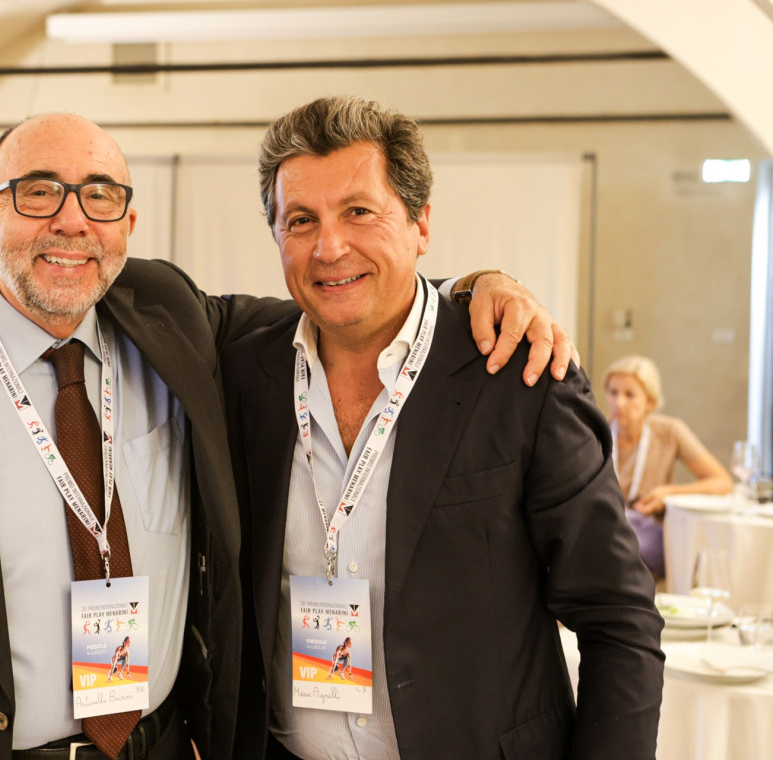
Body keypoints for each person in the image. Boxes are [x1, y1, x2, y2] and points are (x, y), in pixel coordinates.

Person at [0, 111, 572, 760]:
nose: (72, 221)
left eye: (99, 196)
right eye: (38, 192)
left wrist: (472, 289)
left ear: (128, 223)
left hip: (154, 748)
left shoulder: (168, 316)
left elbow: (342, 301)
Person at [222, 96, 664, 760]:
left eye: (359, 212)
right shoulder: (243, 369)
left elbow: (618, 618)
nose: (329, 247)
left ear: (420, 223)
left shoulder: (518, 371)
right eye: (301, 220)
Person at [603, 354, 732, 579]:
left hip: (648, 535)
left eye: (630, 394)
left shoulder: (670, 432)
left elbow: (722, 482)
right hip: (605, 527)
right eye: (613, 392)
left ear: (650, 402)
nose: (619, 402)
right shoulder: (597, 432)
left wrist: (669, 493)